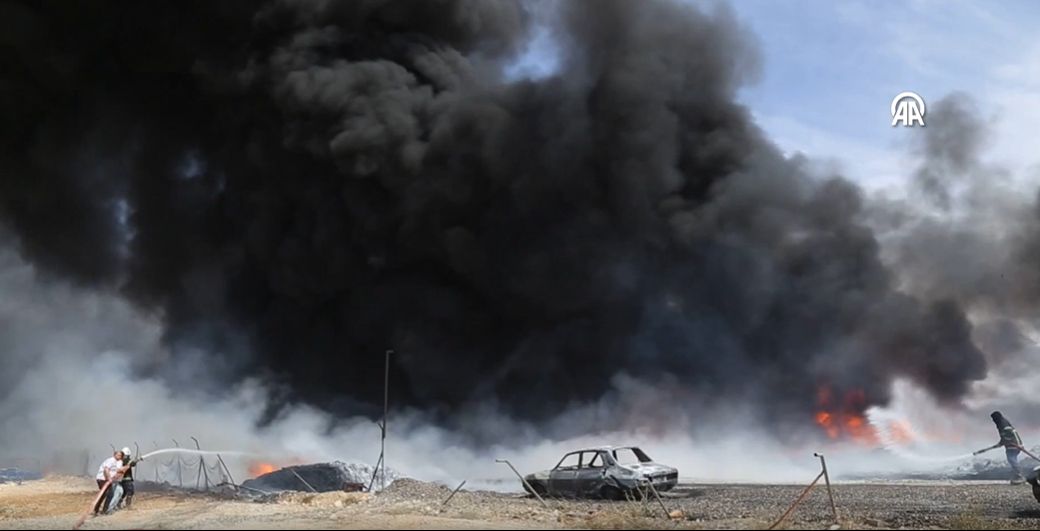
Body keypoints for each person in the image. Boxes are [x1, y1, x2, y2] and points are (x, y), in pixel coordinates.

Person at [974, 411, 1027, 484]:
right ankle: (1017, 476)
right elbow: (1004, 436)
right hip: (1011, 446)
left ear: (996, 418)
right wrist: (1001, 443)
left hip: (1014, 445)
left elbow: (1012, 434)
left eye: (993, 419)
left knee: (1012, 459)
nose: (993, 420)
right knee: (1011, 459)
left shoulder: (1003, 424)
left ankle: (1020, 476)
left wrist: (1017, 444)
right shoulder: (1002, 424)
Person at [93, 450, 124, 515]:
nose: (119, 457)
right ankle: (97, 510)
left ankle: (103, 510)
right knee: (105, 494)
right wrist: (109, 478)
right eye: (118, 455)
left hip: (106, 480)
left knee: (109, 494)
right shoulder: (111, 460)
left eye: (120, 456)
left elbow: (116, 470)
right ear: (114, 455)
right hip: (102, 479)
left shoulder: (115, 462)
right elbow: (106, 469)